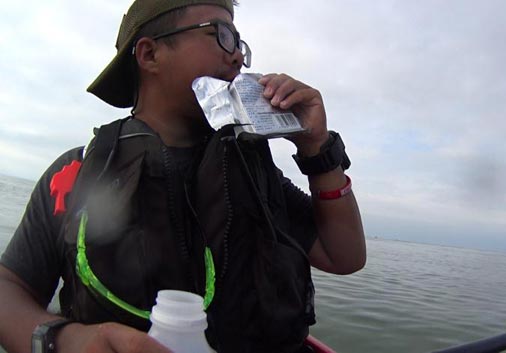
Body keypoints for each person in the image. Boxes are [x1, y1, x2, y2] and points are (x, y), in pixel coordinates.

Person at [0, 0, 366, 352]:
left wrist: (317, 149)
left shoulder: (254, 171)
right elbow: (8, 286)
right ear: (149, 55)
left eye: (239, 43)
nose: (237, 55)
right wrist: (60, 341)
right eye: (221, 35)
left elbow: (344, 256)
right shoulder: (74, 175)